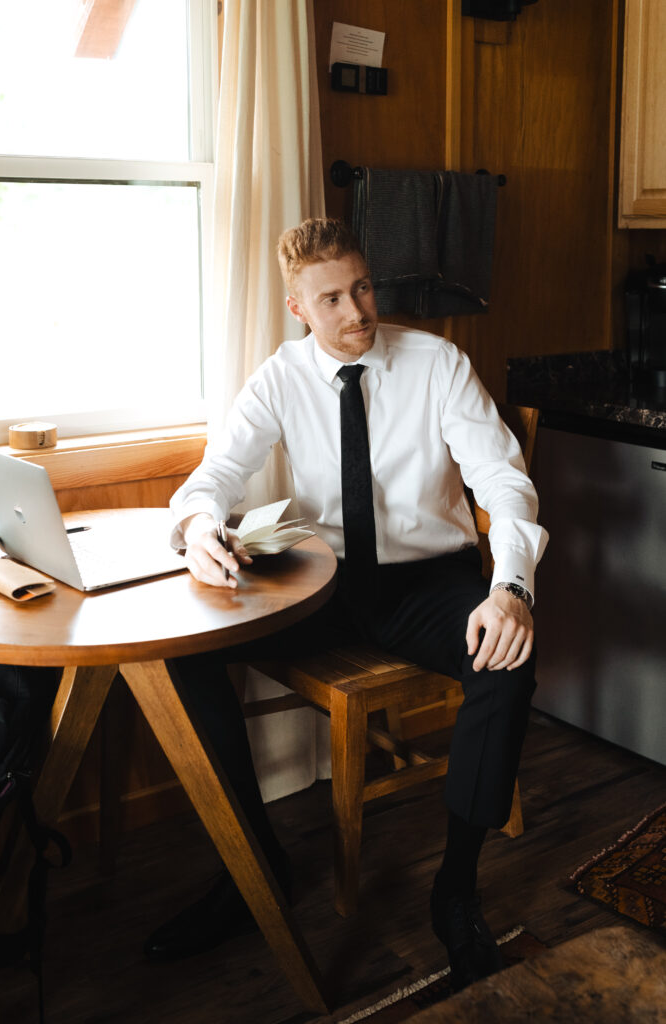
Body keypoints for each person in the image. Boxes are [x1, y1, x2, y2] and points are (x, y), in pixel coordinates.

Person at [145, 217, 548, 992]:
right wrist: (198, 529)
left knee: (507, 660)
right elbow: (214, 476)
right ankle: (252, 868)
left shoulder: (438, 364)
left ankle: (456, 891)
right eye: (331, 298)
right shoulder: (278, 378)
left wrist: (511, 588)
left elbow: (504, 482)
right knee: (181, 654)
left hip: (428, 582)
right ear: (299, 307)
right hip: (318, 582)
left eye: (362, 288)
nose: (357, 312)